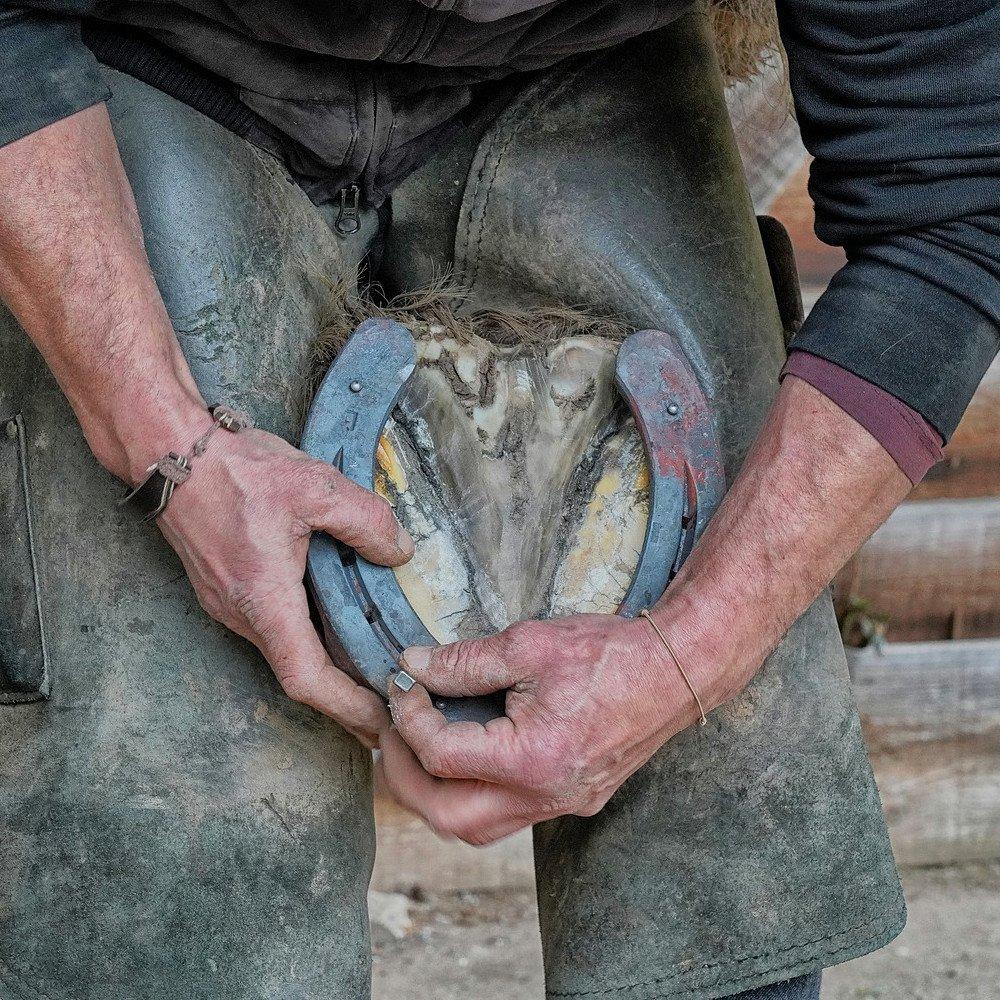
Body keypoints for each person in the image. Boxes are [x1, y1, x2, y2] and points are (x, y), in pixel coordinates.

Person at [0, 3, 995, 999]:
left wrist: (693, 652)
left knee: (716, 843)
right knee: (157, 843)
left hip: (587, 51)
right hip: (150, 43)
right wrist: (165, 446)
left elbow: (955, 197)